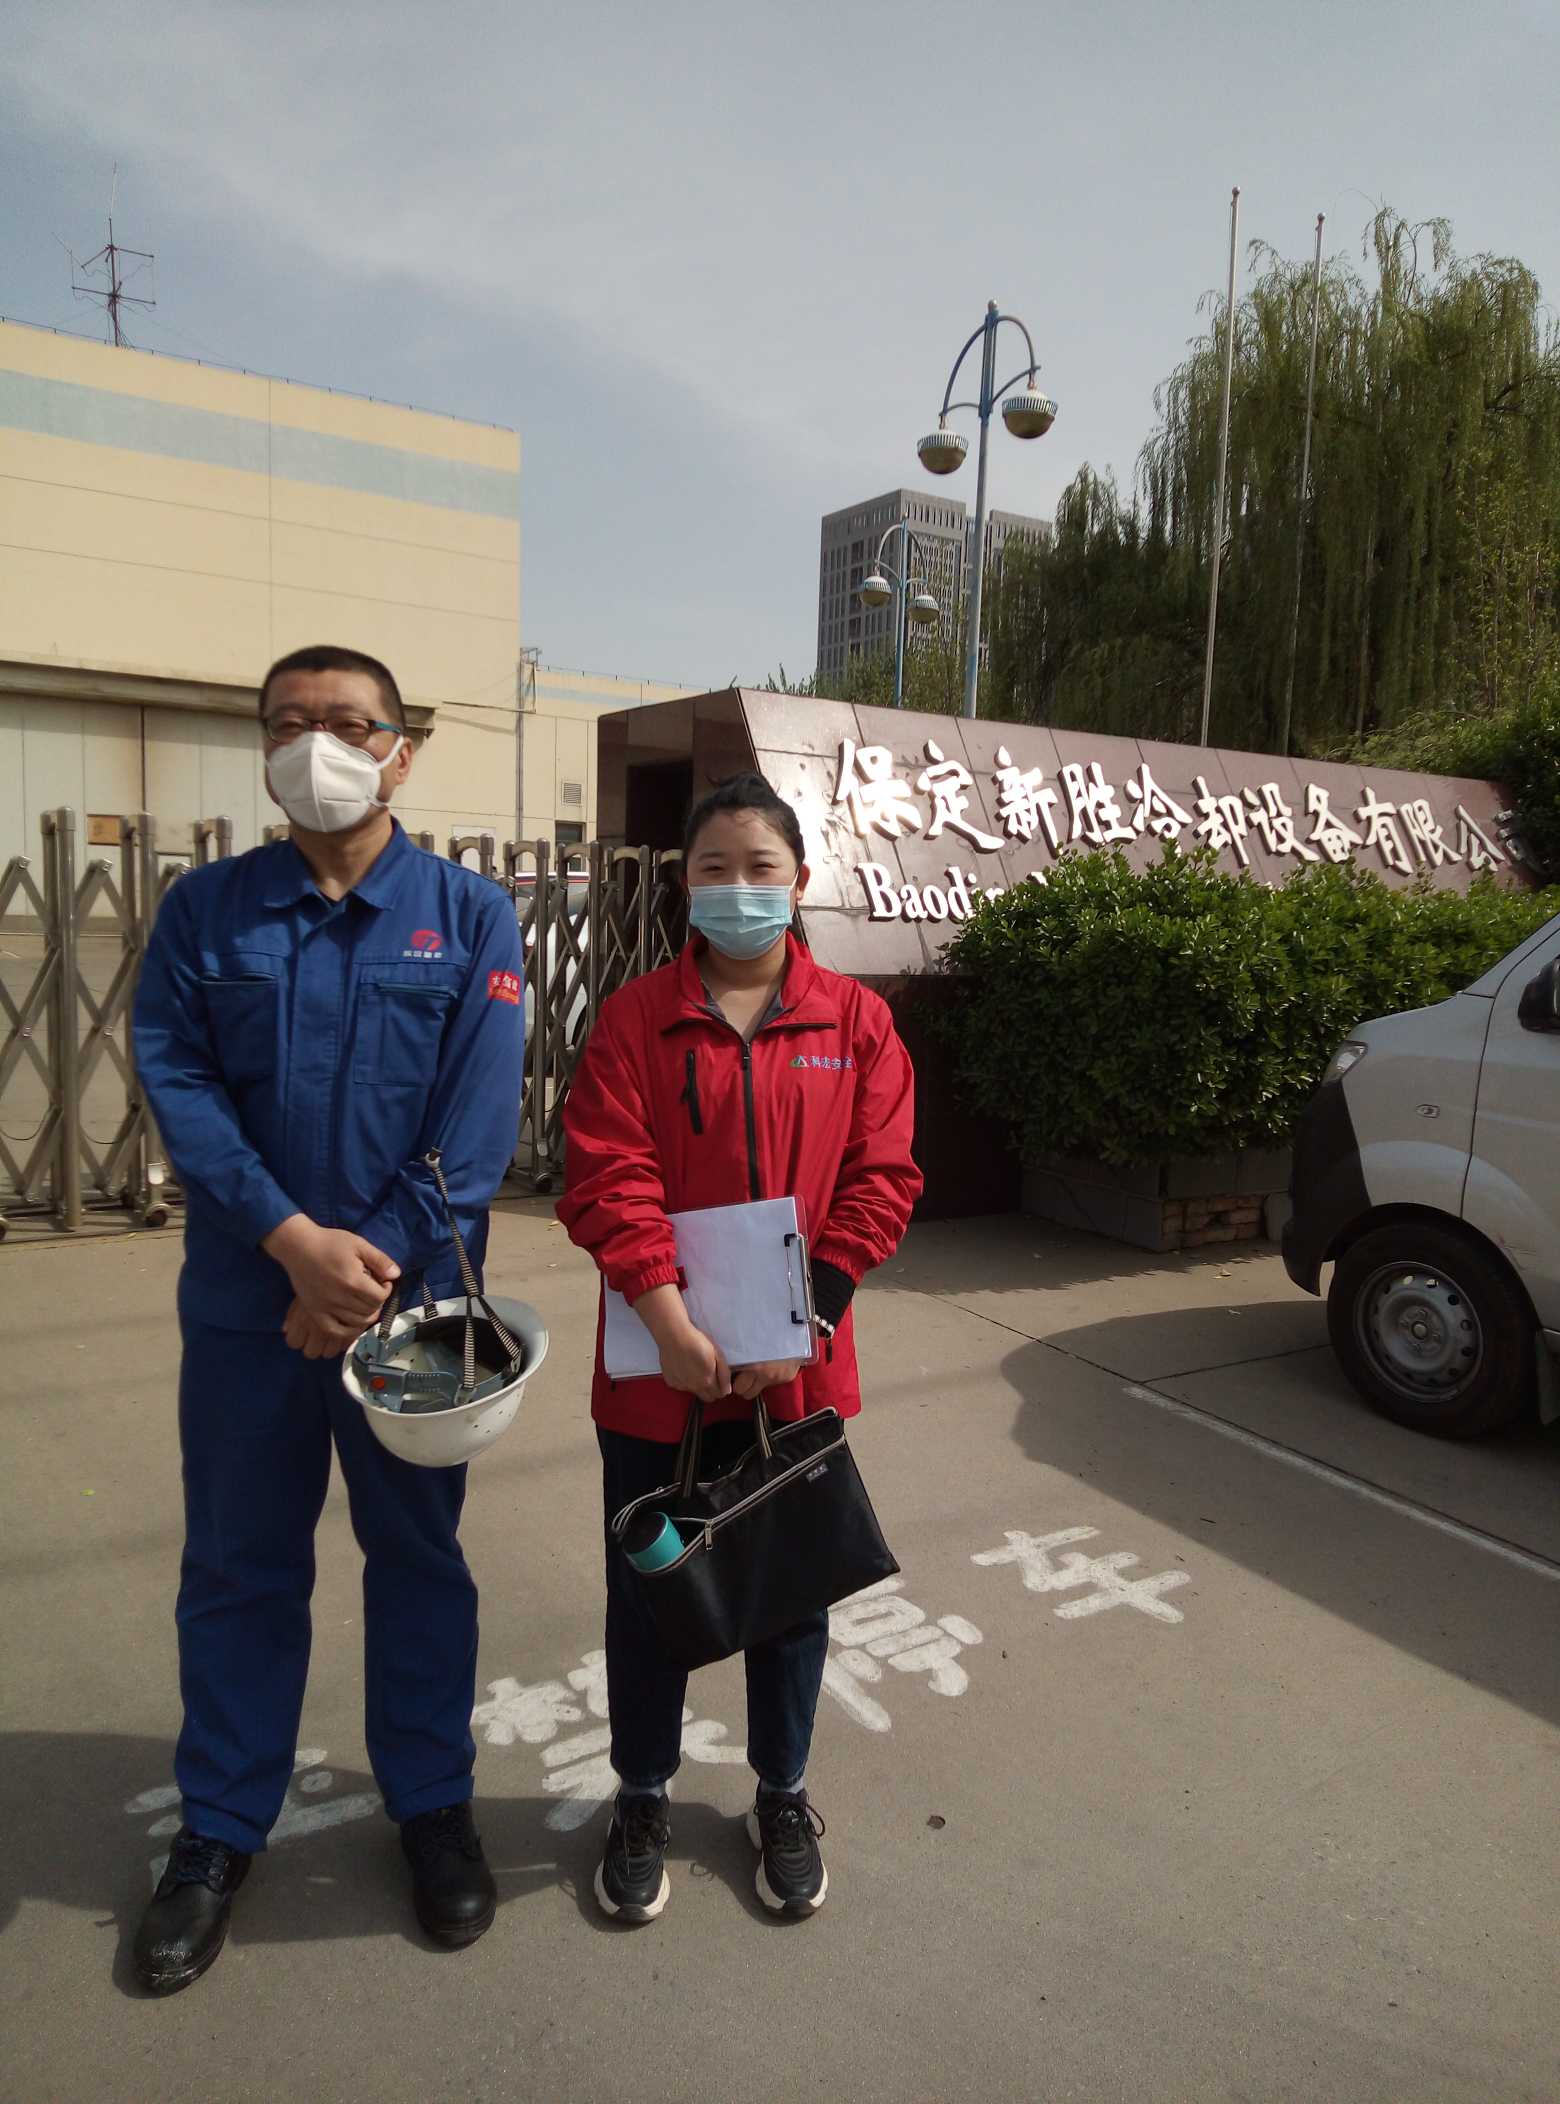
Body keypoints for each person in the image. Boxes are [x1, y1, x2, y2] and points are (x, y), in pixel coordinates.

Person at [129, 644, 524, 1993]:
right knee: (239, 1568)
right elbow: (178, 1082)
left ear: (402, 750)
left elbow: (477, 1124)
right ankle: (219, 1825)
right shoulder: (206, 914)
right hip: (250, 1305)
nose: (320, 745)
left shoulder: (471, 917)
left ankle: (433, 1805)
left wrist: (368, 1274)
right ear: (263, 751)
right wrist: (294, 1248)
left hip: (415, 1317)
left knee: (418, 1560)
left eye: (350, 724)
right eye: (288, 723)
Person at [557, 772, 922, 1922]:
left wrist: (807, 1318)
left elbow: (882, 1176)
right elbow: (606, 1174)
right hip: (657, 1377)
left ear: (799, 882)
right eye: (713, 868)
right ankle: (642, 1795)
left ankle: (782, 1792)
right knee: (648, 1595)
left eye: (761, 867)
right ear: (685, 884)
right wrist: (667, 1316)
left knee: (789, 1593)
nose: (738, 888)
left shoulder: (856, 1024)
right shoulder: (633, 1021)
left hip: (795, 1372)